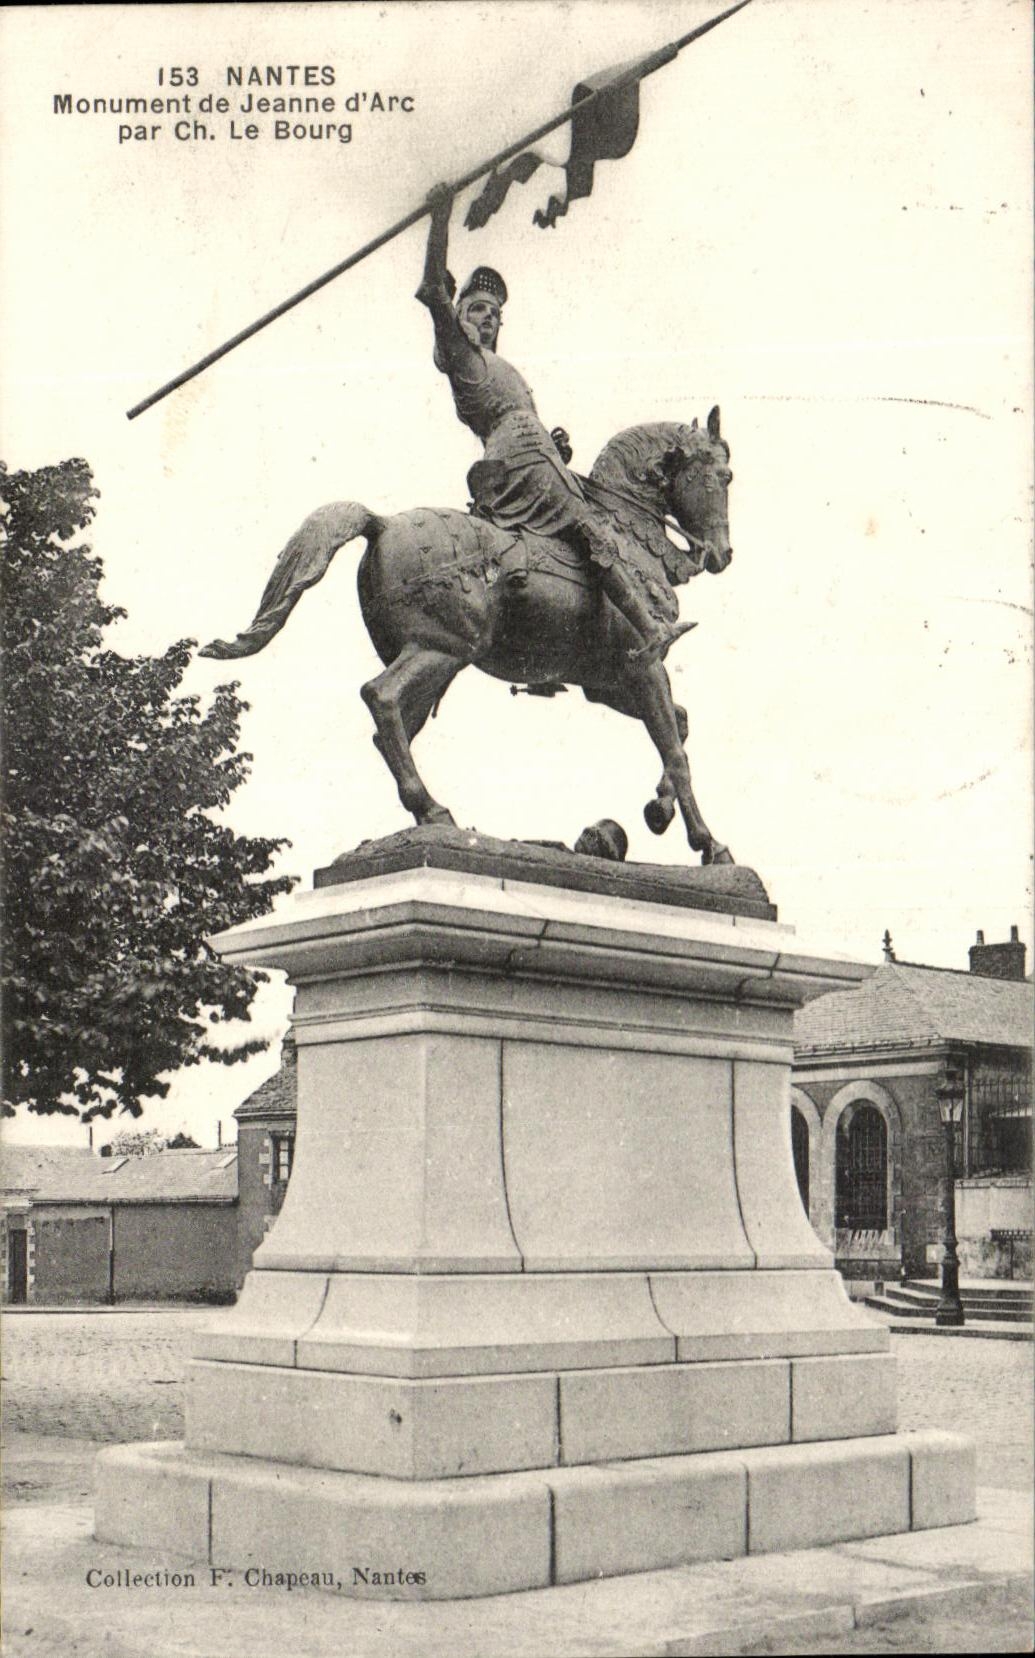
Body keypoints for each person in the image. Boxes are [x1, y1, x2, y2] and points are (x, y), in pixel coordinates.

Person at [415, 185, 696, 664]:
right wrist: (440, 220)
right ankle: (647, 628)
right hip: (517, 456)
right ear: (459, 315)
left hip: (533, 453)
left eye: (495, 314)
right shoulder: (460, 355)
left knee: (588, 522)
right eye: (477, 309)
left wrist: (554, 444)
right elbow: (431, 291)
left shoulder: (496, 365)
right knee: (590, 526)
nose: (487, 319)